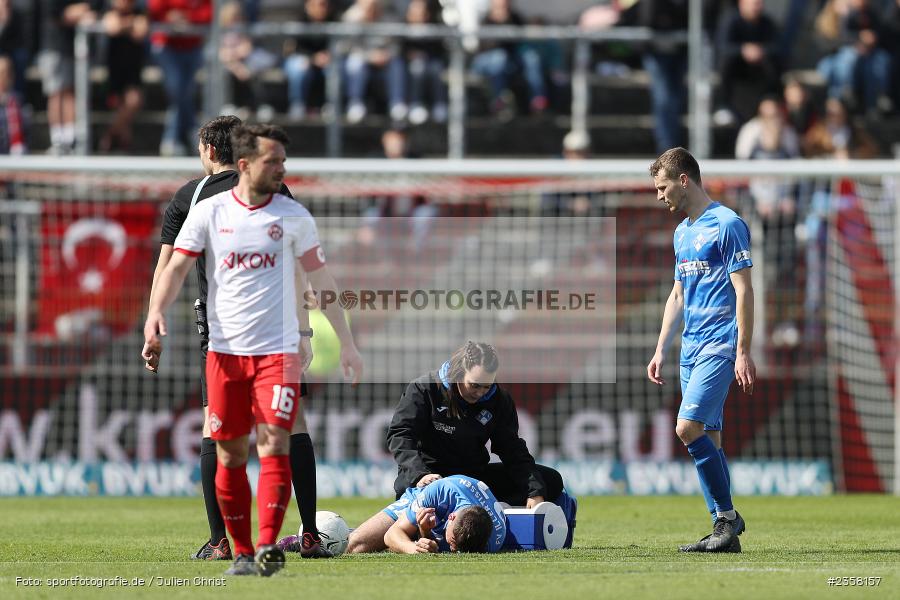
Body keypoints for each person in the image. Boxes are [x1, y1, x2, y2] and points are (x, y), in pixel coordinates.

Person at [144, 117, 363, 563]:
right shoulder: (276, 198)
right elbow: (305, 273)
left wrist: (153, 319)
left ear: (208, 148)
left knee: (219, 434)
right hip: (268, 335)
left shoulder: (193, 196)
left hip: (224, 336)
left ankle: (221, 539)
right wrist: (311, 331)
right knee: (286, 430)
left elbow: (167, 266)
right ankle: (307, 535)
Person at [647, 147, 753, 553]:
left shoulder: (728, 225)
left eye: (662, 187)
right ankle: (722, 531)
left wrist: (743, 350)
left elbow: (744, 290)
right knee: (710, 438)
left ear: (684, 180)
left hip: (720, 345)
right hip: (689, 350)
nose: (659, 196)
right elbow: (677, 294)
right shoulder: (682, 232)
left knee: (685, 428)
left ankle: (727, 518)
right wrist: (660, 349)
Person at [386, 340, 576, 544]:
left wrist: (534, 491)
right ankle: (419, 525)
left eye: (487, 386)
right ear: (459, 373)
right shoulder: (424, 389)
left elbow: (512, 449)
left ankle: (486, 517)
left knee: (550, 481)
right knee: (370, 537)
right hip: (431, 481)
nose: (480, 392)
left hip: (472, 483)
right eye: (474, 385)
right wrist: (419, 474)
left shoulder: (498, 400)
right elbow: (400, 434)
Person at [346, 474, 507, 554]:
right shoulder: (441, 491)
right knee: (355, 545)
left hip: (435, 522)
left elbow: (435, 547)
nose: (452, 550)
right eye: (451, 542)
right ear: (451, 516)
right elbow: (391, 535)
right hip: (419, 499)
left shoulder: (492, 540)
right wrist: (414, 549)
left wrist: (425, 533)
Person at [147, 0, 212, 156]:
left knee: (184, 91)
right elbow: (154, 10)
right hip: (167, 46)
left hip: (192, 47)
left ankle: (172, 138)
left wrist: (188, 17)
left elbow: (209, 13)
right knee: (178, 89)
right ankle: (191, 132)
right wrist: (169, 17)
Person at [38, 0, 97, 155]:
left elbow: (94, 9)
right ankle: (57, 140)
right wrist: (79, 12)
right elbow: (57, 13)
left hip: (74, 50)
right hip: (55, 48)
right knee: (56, 93)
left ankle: (70, 140)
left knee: (70, 94)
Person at [99, 0, 147, 153]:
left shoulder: (140, 10)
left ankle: (110, 135)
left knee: (134, 101)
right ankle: (121, 143)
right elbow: (113, 27)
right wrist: (130, 24)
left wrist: (124, 25)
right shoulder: (108, 9)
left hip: (133, 67)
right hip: (115, 68)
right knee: (119, 106)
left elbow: (140, 32)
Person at [282, 0, 337, 121]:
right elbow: (291, 49)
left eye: (324, 5)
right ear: (308, 6)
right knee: (299, 67)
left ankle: (332, 105)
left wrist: (328, 56)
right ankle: (297, 105)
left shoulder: (334, 20)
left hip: (326, 61)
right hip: (302, 59)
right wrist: (312, 57)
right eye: (318, 5)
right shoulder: (299, 22)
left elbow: (339, 45)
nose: (322, 8)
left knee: (335, 68)